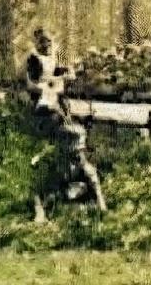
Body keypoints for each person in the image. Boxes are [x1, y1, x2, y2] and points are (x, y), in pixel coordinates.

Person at [26, 28, 107, 223]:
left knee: (72, 123)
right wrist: (50, 83)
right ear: (37, 43)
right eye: (42, 42)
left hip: (57, 96)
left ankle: (96, 200)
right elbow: (32, 84)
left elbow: (60, 71)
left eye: (48, 42)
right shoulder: (34, 59)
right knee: (58, 122)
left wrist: (67, 74)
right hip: (44, 100)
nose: (46, 46)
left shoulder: (54, 55)